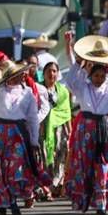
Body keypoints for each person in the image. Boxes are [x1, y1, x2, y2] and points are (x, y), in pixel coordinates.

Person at [64, 32, 108, 214]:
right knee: (84, 162)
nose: (99, 79)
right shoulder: (83, 86)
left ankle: (102, 202)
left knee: (104, 162)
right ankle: (83, 200)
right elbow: (70, 81)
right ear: (91, 75)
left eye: (102, 76)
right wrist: (78, 63)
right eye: (96, 76)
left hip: (105, 126)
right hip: (86, 127)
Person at [0, 56, 47, 215]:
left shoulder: (27, 93)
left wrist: (34, 140)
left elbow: (33, 118)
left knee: (16, 166)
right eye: (16, 73)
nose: (21, 76)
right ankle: (3, 202)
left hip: (18, 133)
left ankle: (12, 199)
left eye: (22, 73)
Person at [38, 57, 72, 198]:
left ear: (57, 73)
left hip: (59, 129)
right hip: (42, 127)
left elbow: (66, 111)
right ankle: (45, 187)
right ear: (44, 74)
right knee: (44, 156)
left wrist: (69, 130)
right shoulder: (37, 89)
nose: (51, 74)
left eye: (54, 71)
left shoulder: (63, 91)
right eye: (48, 71)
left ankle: (54, 184)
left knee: (60, 155)